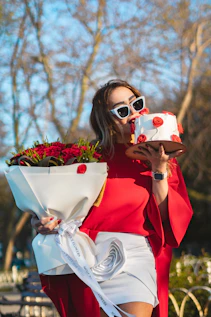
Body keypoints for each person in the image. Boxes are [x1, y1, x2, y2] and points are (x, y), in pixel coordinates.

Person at [31, 79, 193, 317]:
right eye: (123, 111)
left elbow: (168, 220)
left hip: (136, 255)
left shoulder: (163, 157)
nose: (134, 114)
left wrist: (158, 169)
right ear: (106, 121)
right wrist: (45, 220)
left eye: (137, 104)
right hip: (87, 257)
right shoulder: (86, 159)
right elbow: (60, 210)